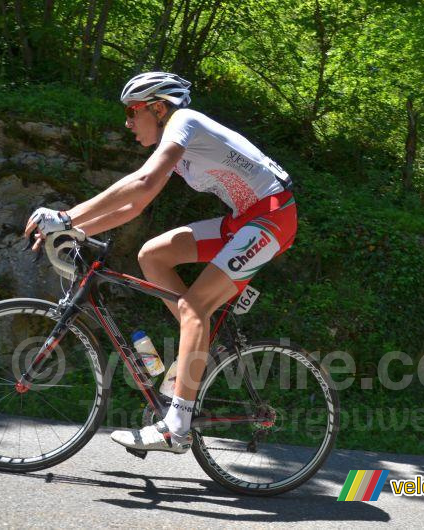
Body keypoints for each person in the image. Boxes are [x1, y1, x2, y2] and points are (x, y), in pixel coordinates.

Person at [23, 72, 296, 453]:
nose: (128, 122)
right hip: (245, 220)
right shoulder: (178, 148)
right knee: (153, 255)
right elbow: (136, 204)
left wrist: (67, 217)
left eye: (133, 112)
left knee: (196, 305)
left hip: (272, 217)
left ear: (158, 107)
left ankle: (177, 427)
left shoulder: (184, 122)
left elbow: (144, 181)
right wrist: (76, 230)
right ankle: (197, 340)